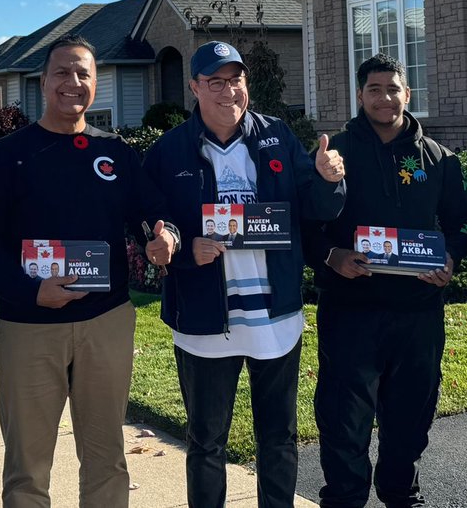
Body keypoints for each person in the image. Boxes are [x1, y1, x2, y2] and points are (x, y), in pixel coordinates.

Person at [0, 34, 178, 508]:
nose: (73, 82)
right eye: (62, 72)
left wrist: (164, 239)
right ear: (42, 81)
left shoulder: (115, 154)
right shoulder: (8, 155)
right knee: (27, 466)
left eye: (83, 73)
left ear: (95, 83)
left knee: (106, 458)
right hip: (29, 325)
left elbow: (151, 212)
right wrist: (29, 291)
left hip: (107, 321)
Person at [143, 40, 346, 508]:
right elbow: (149, 220)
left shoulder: (276, 135)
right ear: (194, 87)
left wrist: (328, 179)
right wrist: (178, 243)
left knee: (278, 438)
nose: (228, 91)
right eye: (215, 81)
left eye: (235, 79)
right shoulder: (169, 150)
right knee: (206, 442)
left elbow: (314, 210)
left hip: (274, 318)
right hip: (204, 320)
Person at [304, 53, 467, 508]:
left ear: (408, 93)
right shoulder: (334, 153)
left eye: (393, 88)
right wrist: (332, 255)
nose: (384, 97)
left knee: (411, 412)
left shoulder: (438, 159)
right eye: (374, 89)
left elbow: (464, 223)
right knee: (344, 415)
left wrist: (452, 258)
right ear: (360, 95)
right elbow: (304, 225)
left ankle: (402, 493)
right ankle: (344, 497)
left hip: (417, 310)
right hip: (350, 307)